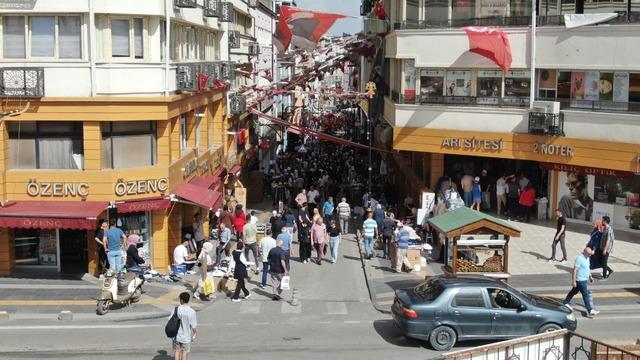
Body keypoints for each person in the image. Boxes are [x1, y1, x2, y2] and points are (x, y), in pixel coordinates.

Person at [562, 247, 599, 317]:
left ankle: (565, 302)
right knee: (585, 295)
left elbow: (587, 268)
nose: (590, 255)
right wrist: (573, 281)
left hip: (584, 279)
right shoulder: (579, 259)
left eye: (590, 254)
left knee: (573, 291)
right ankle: (590, 310)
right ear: (584, 252)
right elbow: (575, 270)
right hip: (580, 280)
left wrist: (590, 276)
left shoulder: (587, 258)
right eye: (588, 254)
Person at [171, 292, 197, 360]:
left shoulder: (176, 309)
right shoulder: (192, 311)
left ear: (182, 300)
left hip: (176, 335)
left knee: (177, 351)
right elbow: (193, 326)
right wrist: (194, 333)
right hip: (186, 337)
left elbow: (170, 320)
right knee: (185, 352)